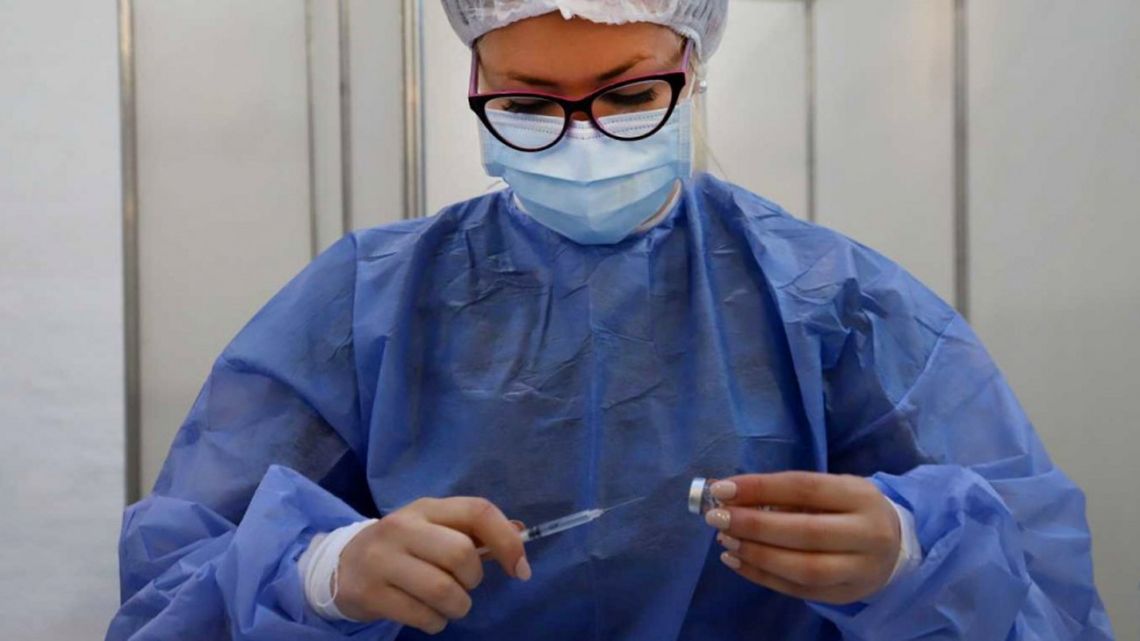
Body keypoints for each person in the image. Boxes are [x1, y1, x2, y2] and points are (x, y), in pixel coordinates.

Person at [107, 1, 1115, 639]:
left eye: (631, 95)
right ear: (475, 85)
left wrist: (908, 554)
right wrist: (328, 570)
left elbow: (1046, 596)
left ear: (693, 69)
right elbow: (170, 589)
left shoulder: (832, 302)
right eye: (532, 104)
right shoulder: (364, 300)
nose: (584, 142)